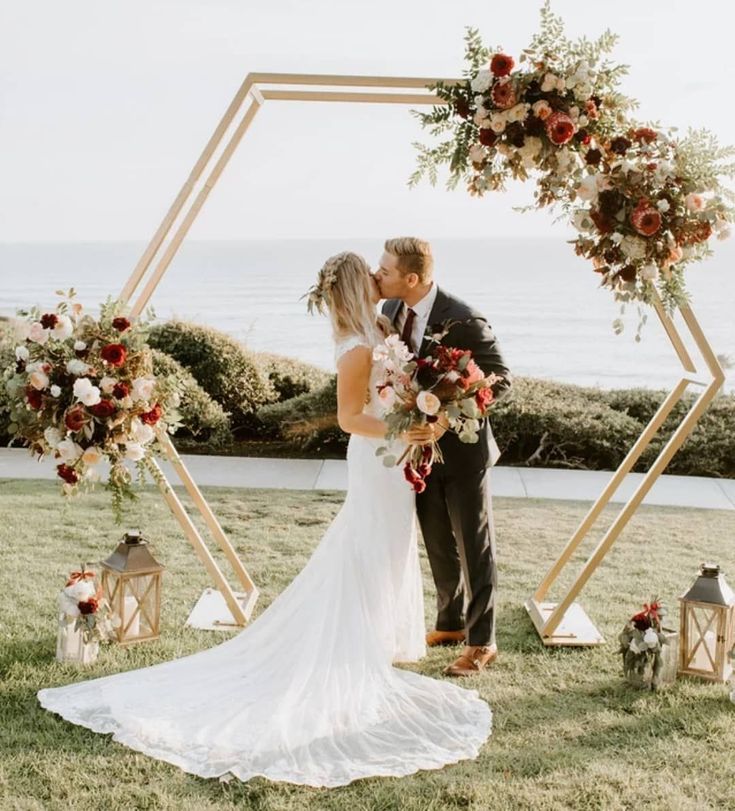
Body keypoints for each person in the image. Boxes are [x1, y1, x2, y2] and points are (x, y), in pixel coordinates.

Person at [37, 251, 492, 788]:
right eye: (370, 276)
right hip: (377, 462)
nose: (379, 279)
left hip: (393, 465)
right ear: (353, 287)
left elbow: (393, 393)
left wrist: (419, 412)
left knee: (382, 553)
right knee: (368, 552)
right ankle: (353, 661)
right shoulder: (357, 346)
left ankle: (364, 655)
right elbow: (350, 418)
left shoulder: (382, 326)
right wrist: (405, 430)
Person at [376, 237, 512, 677]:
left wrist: (445, 416)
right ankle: (450, 623)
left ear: (411, 278)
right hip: (418, 449)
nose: (379, 275)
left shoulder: (464, 319)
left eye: (386, 270)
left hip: (464, 452)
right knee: (435, 538)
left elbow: (501, 379)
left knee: (474, 545)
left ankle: (481, 641)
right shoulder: (390, 312)